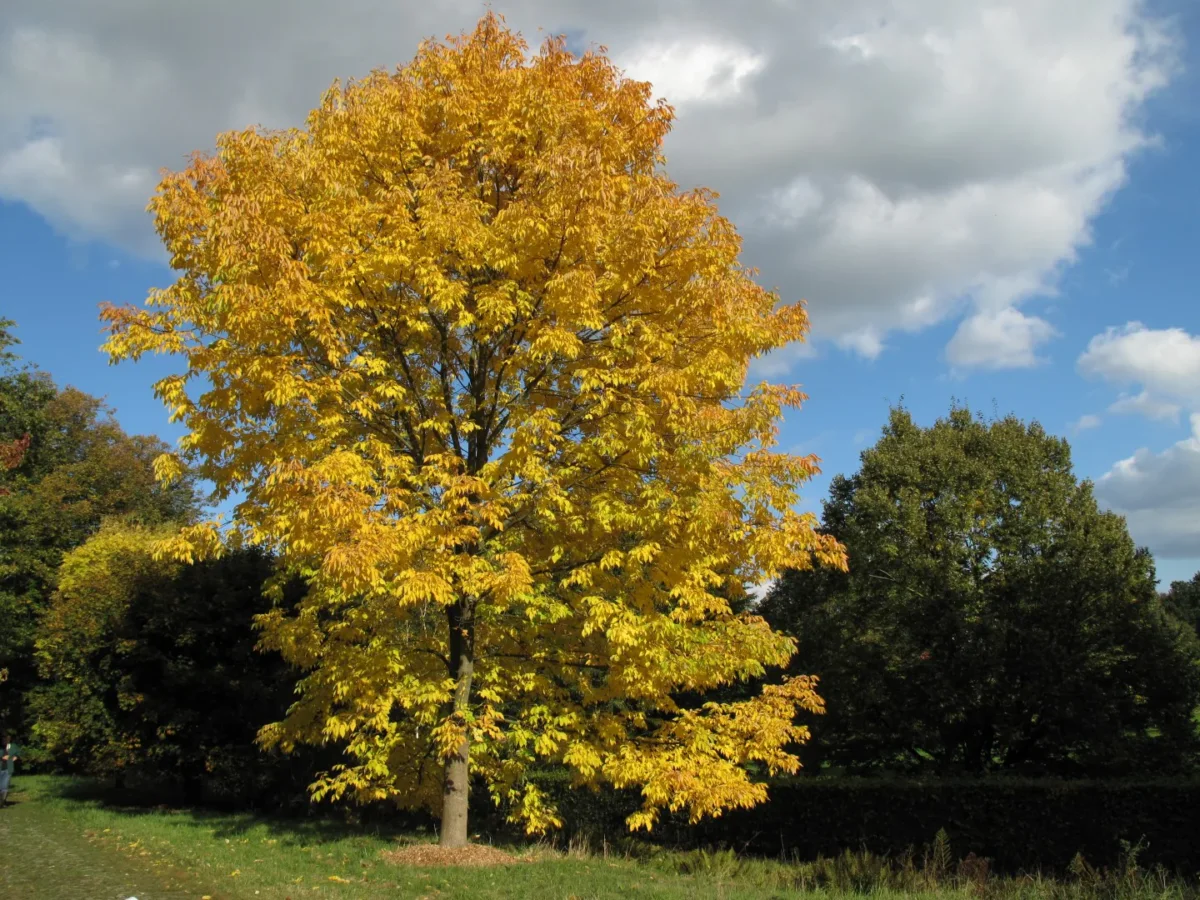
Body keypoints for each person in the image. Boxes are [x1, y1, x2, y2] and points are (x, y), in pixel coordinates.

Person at [0, 731, 18, 807]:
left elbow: (16, 756)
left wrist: (11, 758)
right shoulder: (0, 747)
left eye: (7, 739)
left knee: (5, 785)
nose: (5, 740)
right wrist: (2, 758)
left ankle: (3, 802)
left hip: (9, 767)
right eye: (4, 739)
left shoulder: (13, 746)